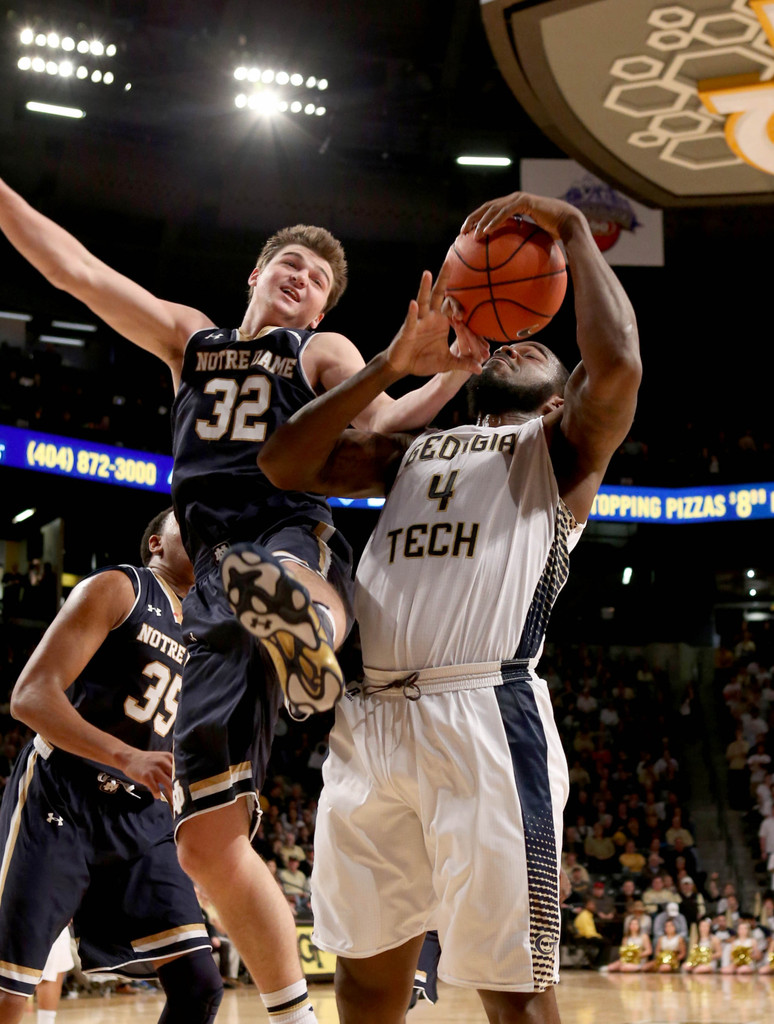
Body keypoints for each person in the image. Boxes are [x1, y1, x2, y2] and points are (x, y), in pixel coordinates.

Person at [0, 176, 485, 1022]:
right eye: (290, 266)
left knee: (291, 575)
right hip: (217, 581)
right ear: (256, 276)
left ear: (320, 307)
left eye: (318, 282)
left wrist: (442, 377)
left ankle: (311, 640)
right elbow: (76, 270)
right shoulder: (191, 338)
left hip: (281, 530)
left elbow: (385, 422)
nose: (302, 281)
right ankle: (291, 1012)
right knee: (205, 846)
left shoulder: (322, 352)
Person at [258, 190, 641, 1023]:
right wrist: (396, 365)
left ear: (555, 396)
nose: (517, 342)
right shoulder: (408, 452)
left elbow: (617, 369)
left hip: (486, 719)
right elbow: (284, 465)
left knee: (512, 990)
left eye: (537, 342)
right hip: (367, 724)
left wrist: (573, 231)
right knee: (363, 977)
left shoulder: (559, 448)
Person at [0, 508, 222, 1024]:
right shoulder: (122, 588)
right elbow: (30, 697)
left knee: (201, 983)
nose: (204, 528)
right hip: (64, 794)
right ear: (155, 544)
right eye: (185, 521)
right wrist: (127, 755)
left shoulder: (212, 635)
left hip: (141, 815)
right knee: (12, 985)